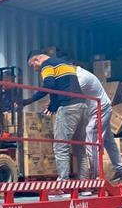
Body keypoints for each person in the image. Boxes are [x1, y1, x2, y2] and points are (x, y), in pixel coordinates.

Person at [22, 50, 89, 181]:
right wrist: (53, 105)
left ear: (36, 60)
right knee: (80, 149)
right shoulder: (65, 64)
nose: (34, 69)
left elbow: (49, 85)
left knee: (61, 147)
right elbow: (62, 87)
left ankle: (63, 184)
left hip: (68, 108)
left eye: (32, 66)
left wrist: (28, 101)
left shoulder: (47, 65)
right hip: (82, 107)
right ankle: (85, 184)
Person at [76, 66, 122, 182]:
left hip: (100, 110)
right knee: (107, 140)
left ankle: (95, 177)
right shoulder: (79, 75)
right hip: (101, 109)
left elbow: (69, 96)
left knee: (91, 137)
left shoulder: (81, 77)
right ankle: (121, 169)